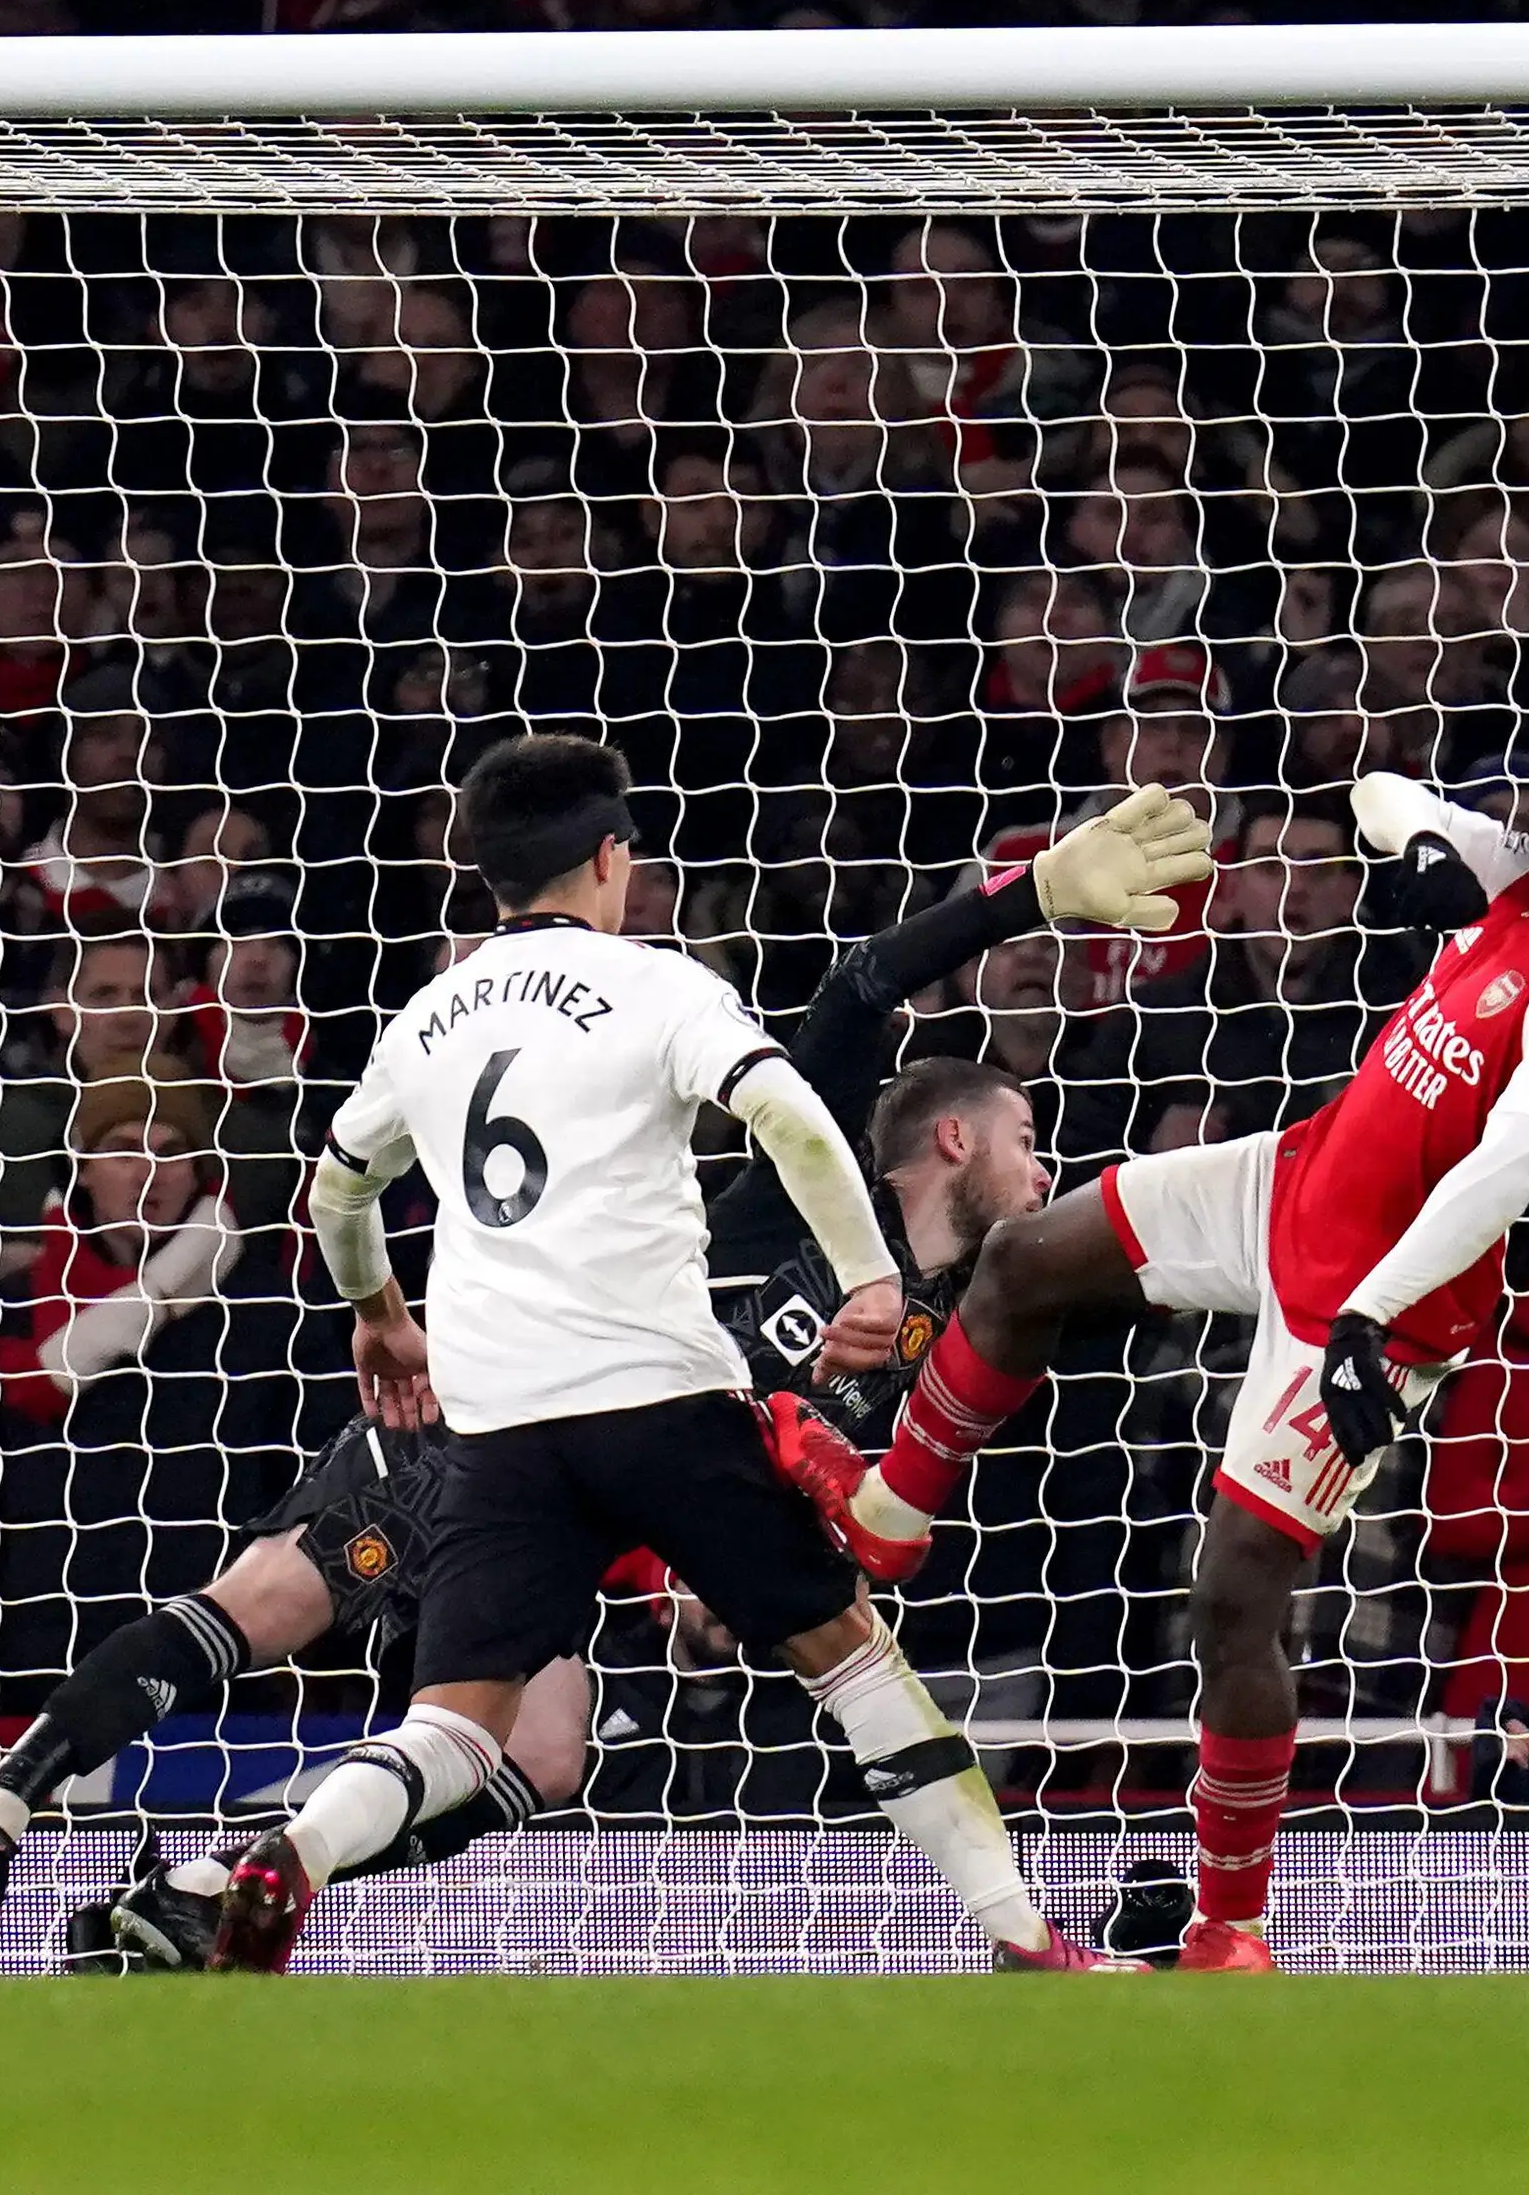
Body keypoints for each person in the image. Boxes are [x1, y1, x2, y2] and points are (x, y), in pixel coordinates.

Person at [0, 781, 1208, 1970]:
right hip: (511, 1414)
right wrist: (1021, 898)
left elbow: (349, 1184)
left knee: (534, 1752)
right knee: (269, 1608)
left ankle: (200, 1889)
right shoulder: (784, 1194)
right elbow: (857, 997)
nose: (1046, 1171)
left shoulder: (964, 1317)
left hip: (591, 1479)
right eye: (1031, 1140)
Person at [775, 723, 1529, 1973]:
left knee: (1233, 1598)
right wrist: (1415, 851)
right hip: (1290, 1182)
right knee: (1020, 1263)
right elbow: (1383, 787)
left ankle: (1232, 1928)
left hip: (1387, 1304)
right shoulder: (1527, 876)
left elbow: (1507, 1171)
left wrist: (1364, 1318)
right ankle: (891, 1512)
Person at [193, 736, 1105, 1974]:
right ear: (611, 858)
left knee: (455, 1728)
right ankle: (1023, 1935)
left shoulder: (430, 1016)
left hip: (499, 1423)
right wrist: (873, 1274)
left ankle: (287, 1855)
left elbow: (339, 1187)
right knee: (855, 1661)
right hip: (658, 1398)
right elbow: (782, 1108)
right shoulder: (655, 985)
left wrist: (377, 1313)